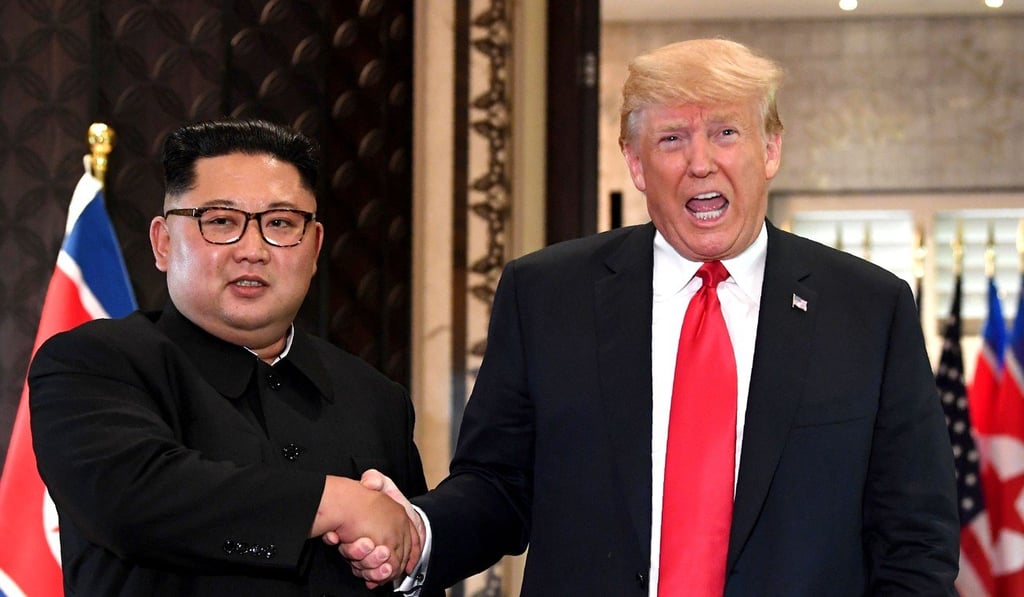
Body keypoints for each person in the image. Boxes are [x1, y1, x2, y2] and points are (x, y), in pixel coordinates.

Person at [341, 38, 960, 595]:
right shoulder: (546, 294)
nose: (700, 162)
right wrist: (418, 533)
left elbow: (915, 540)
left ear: (770, 148)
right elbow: (498, 486)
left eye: (726, 132)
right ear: (636, 164)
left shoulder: (868, 308)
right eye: (671, 138)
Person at [29, 119, 436, 596]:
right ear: (162, 242)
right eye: (220, 221)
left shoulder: (377, 399)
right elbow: (133, 500)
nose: (252, 249)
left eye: (281, 224)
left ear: (315, 247)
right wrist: (334, 502)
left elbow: (412, 564)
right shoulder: (92, 362)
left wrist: (399, 561)